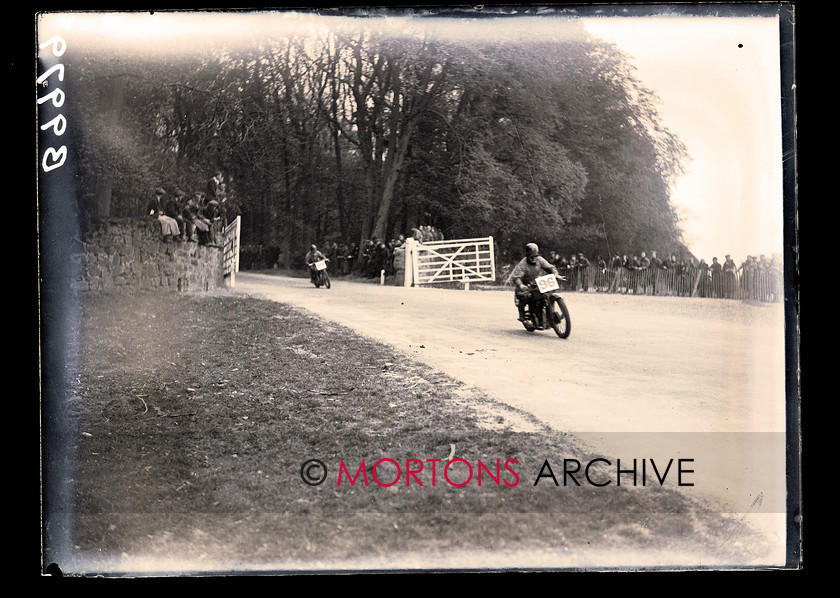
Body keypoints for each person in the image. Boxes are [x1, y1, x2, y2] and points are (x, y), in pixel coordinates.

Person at [510, 243, 559, 326]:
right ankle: (522, 315)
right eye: (531, 257)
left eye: (535, 256)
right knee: (526, 296)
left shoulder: (540, 260)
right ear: (527, 256)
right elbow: (517, 277)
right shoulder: (523, 264)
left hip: (536, 283)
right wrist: (521, 285)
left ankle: (549, 313)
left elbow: (549, 267)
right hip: (525, 285)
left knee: (546, 294)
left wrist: (555, 273)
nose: (534, 258)